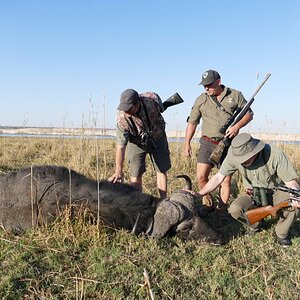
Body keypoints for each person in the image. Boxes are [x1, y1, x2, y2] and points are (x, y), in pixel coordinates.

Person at [198, 133, 300, 247]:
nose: (242, 161)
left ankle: (281, 233)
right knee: (234, 210)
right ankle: (256, 225)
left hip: (277, 192)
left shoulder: (275, 154)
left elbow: (291, 183)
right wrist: (199, 194)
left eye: (245, 158)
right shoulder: (233, 156)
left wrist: (296, 195)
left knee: (293, 204)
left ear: (255, 151)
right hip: (253, 194)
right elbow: (218, 178)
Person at [184, 70, 253, 209]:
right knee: (201, 177)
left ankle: (221, 210)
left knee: (225, 181)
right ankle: (208, 202)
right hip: (207, 143)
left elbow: (249, 114)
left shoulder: (235, 95)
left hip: (228, 144)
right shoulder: (201, 99)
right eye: (204, 85)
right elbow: (192, 122)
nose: (206, 88)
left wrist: (237, 127)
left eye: (209, 85)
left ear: (218, 82)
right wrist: (187, 144)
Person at [108, 89, 171, 199]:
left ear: (137, 104)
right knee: (135, 172)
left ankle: (163, 201)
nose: (126, 111)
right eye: (123, 107)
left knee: (161, 169)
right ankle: (138, 203)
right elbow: (120, 146)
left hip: (158, 136)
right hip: (136, 142)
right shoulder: (122, 119)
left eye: (128, 108)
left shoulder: (153, 99)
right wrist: (118, 170)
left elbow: (161, 108)